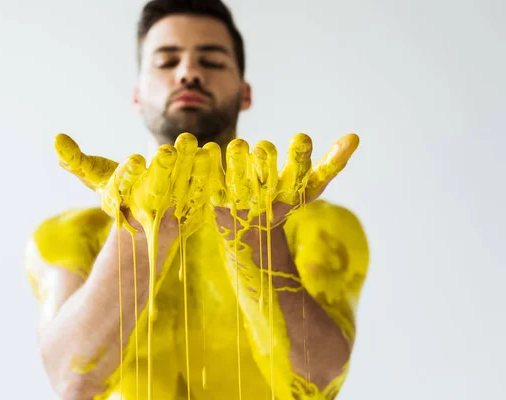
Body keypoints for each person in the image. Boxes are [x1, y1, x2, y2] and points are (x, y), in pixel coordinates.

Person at [24, 0, 370, 399]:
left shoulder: (320, 226)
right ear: (137, 94)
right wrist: (137, 233)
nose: (188, 72)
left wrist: (257, 237)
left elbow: (320, 380)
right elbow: (72, 382)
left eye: (213, 61)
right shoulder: (69, 235)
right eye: (167, 62)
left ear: (245, 92)